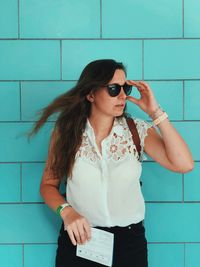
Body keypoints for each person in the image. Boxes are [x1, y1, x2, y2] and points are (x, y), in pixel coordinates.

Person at [30, 59, 194, 267]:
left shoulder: (137, 131)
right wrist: (67, 212)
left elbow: (184, 164)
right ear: (91, 94)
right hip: (81, 239)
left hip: (129, 244)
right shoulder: (66, 134)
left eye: (125, 88)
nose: (123, 96)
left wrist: (155, 113)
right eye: (114, 89)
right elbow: (48, 185)